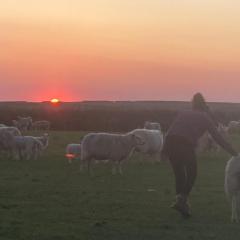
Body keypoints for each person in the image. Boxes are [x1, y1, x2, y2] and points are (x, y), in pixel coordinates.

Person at [162, 93, 238, 218]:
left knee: (179, 174)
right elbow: (217, 138)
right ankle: (182, 200)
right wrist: (234, 153)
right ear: (205, 107)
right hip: (185, 144)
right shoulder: (204, 117)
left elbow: (170, 131)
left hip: (170, 142)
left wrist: (164, 150)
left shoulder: (183, 113)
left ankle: (182, 205)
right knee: (192, 173)